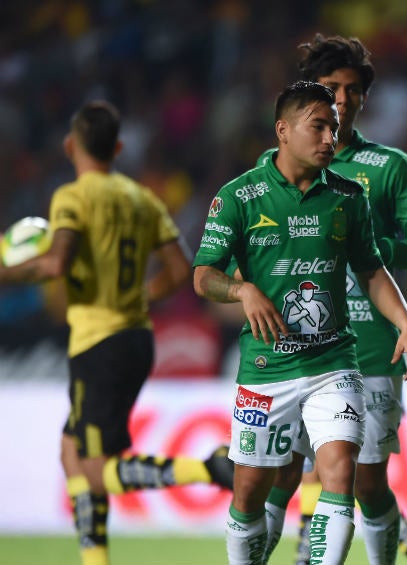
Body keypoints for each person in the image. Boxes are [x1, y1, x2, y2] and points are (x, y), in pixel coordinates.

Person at [192, 81, 407, 565]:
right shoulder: (239, 197)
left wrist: (406, 322)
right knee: (250, 492)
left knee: (341, 471)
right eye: (317, 126)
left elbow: (371, 269)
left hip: (334, 362)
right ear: (282, 130)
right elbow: (203, 275)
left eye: (333, 128)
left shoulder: (347, 197)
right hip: (266, 369)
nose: (329, 138)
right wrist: (242, 290)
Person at [0, 100, 233, 565]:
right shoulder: (142, 198)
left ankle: (207, 466)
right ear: (118, 147)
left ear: (70, 146)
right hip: (137, 337)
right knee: (73, 452)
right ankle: (96, 560)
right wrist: (138, 298)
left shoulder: (71, 197)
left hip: (97, 343)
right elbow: (177, 269)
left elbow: (56, 262)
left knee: (93, 468)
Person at [256, 34, 407, 565]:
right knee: (279, 474)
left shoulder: (389, 167)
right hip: (293, 346)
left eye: (353, 90)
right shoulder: (275, 168)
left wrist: (364, 247)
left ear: (364, 98)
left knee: (365, 481)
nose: (342, 99)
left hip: (369, 349)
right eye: (331, 88)